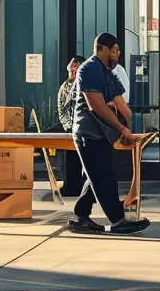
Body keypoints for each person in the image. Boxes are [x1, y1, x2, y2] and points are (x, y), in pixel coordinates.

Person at [70, 33, 150, 235]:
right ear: (101, 49)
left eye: (118, 51)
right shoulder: (88, 69)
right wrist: (122, 129)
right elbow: (95, 105)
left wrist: (130, 128)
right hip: (88, 133)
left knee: (94, 176)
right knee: (104, 178)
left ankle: (80, 217)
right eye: (114, 50)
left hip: (102, 134)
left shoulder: (108, 73)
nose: (117, 55)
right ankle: (118, 220)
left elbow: (123, 107)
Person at [55, 55, 87, 196]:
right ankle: (71, 187)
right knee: (70, 161)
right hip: (71, 128)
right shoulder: (67, 85)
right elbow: (62, 106)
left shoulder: (87, 82)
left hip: (85, 127)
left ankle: (85, 190)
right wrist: (68, 125)